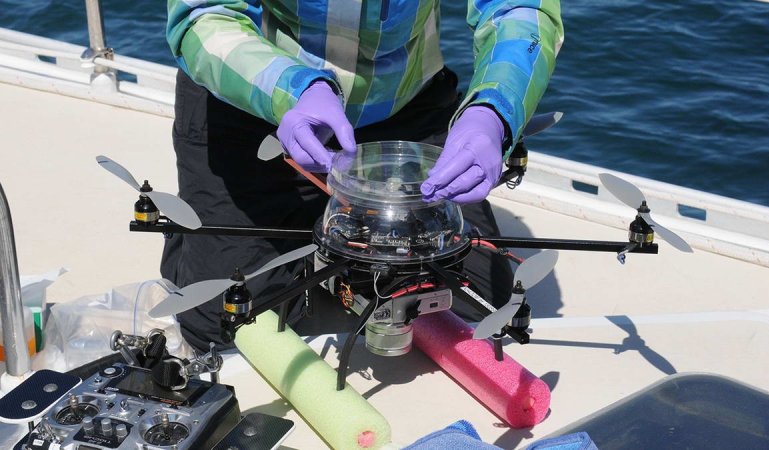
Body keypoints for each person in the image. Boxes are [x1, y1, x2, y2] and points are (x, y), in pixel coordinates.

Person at [162, 0, 564, 351]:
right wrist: (294, 90)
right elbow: (204, 14)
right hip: (257, 106)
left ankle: (326, 231)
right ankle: (198, 238)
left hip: (404, 111)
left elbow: (520, 9)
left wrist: (493, 111)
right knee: (227, 325)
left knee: (481, 306)